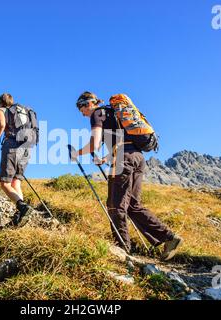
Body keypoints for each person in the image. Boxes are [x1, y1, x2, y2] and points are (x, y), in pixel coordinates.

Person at [72, 91, 183, 261]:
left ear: (88, 103)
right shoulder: (114, 113)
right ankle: (168, 237)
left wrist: (77, 153)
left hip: (124, 158)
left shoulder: (97, 113)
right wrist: (106, 159)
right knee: (132, 205)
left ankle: (122, 251)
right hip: (137, 157)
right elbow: (122, 141)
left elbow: (94, 144)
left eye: (81, 109)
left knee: (115, 206)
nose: (82, 114)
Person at [0, 93, 34, 227]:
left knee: (5, 183)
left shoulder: (1, 110)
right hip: (27, 147)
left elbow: (2, 124)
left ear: (0, 102)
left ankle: (23, 208)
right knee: (16, 183)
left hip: (12, 146)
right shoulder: (23, 111)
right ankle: (19, 216)